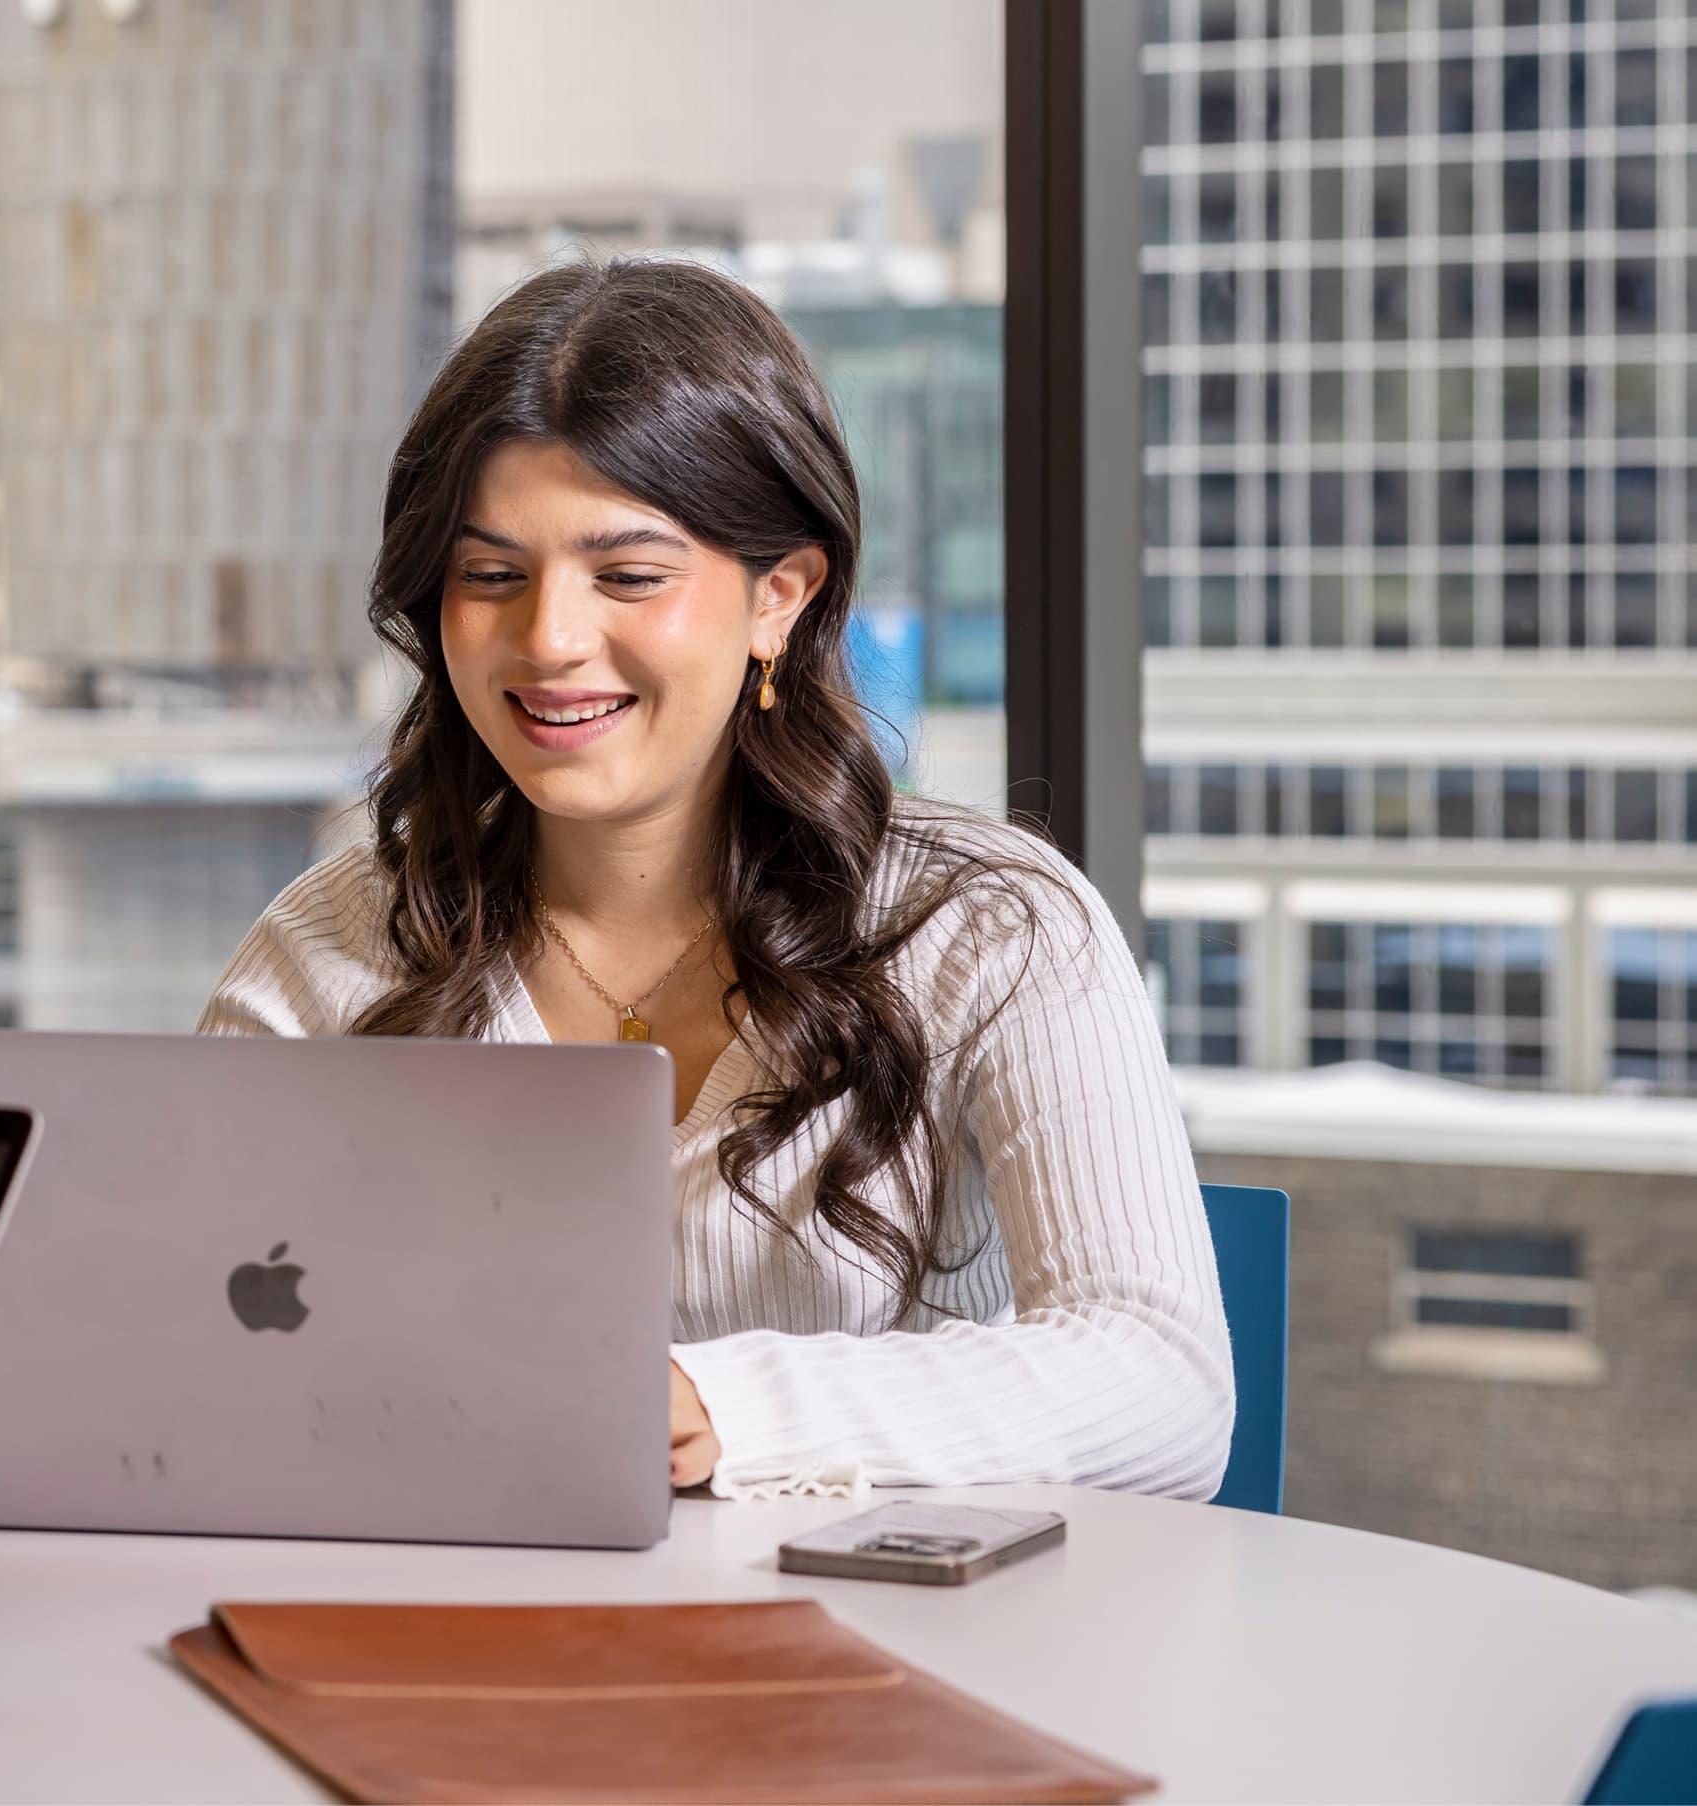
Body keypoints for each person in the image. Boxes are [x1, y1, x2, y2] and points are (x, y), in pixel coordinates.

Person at [201, 258, 1236, 1500]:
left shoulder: (992, 928)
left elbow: (1162, 1385)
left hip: (880, 1656)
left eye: (629, 575)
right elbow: (176, 1346)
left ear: (779, 599)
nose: (550, 639)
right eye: (490, 576)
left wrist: (723, 1410)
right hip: (463, 1645)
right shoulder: (331, 944)